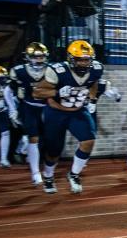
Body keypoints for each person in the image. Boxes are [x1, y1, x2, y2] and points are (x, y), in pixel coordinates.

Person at [33, 40, 114, 194]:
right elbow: (37, 92)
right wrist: (57, 93)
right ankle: (48, 176)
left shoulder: (96, 68)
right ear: (71, 58)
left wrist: (92, 98)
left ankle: (74, 174)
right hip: (56, 112)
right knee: (54, 151)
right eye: (80, 60)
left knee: (88, 140)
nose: (84, 63)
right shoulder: (57, 70)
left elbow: (93, 83)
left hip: (78, 110)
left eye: (87, 59)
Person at [5, 42, 50, 185]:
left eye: (42, 57)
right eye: (36, 57)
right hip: (29, 107)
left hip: (47, 108)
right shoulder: (20, 71)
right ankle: (35, 173)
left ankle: (39, 164)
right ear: (28, 57)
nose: (39, 60)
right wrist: (12, 108)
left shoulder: (52, 69)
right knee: (33, 138)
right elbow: (8, 90)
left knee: (48, 140)